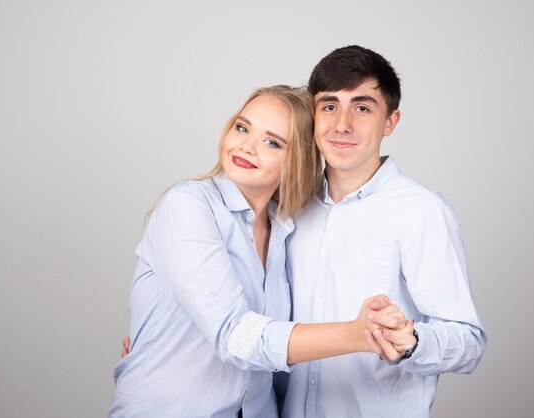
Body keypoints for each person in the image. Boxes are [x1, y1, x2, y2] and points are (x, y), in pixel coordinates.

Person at [109, 85, 405, 418]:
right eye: (242, 127)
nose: (247, 146)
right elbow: (236, 334)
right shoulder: (188, 206)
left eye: (272, 142)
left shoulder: (285, 231)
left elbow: (272, 368)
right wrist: (358, 334)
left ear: (297, 160)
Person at [280, 45, 487, 418]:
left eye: (362, 107)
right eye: (329, 106)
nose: (341, 124)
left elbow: (468, 342)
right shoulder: (291, 206)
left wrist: (411, 341)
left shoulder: (423, 212)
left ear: (390, 121)